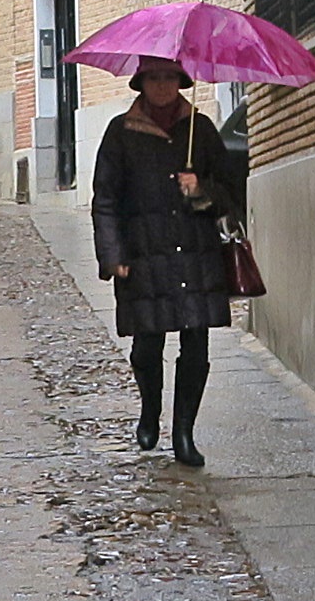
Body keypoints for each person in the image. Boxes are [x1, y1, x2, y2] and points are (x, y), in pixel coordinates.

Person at [92, 55, 245, 465]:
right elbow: (105, 199)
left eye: (169, 77)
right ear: (141, 83)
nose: (162, 85)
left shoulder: (201, 130)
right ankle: (150, 411)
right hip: (143, 255)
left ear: (180, 81)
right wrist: (113, 254)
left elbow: (231, 192)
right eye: (154, 78)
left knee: (196, 344)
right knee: (147, 344)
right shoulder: (120, 133)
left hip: (195, 254)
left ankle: (184, 434)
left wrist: (201, 189)